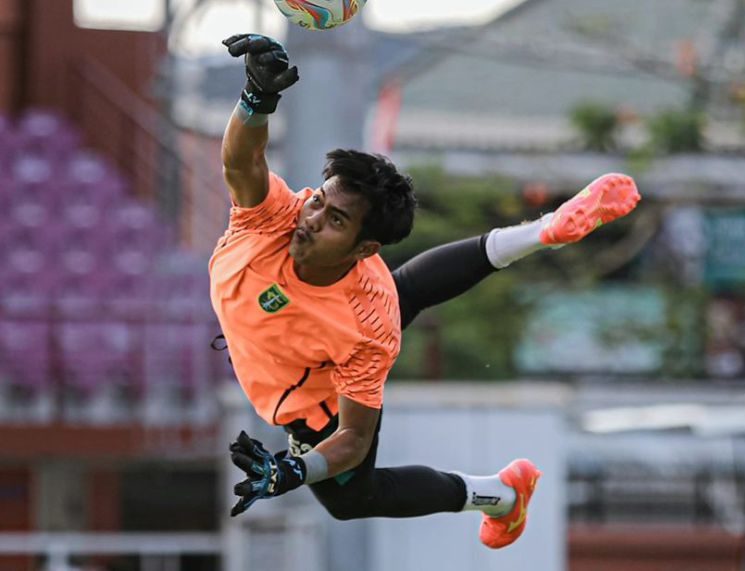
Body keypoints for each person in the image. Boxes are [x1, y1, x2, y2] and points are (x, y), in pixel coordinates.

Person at [208, 33, 641, 549]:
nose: (313, 219)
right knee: (403, 290)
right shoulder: (278, 216)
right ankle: (543, 230)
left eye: (336, 219)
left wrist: (294, 471)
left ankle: (499, 495)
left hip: (314, 396)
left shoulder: (366, 325)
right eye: (319, 202)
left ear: (365, 247)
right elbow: (242, 161)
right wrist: (257, 96)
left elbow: (352, 440)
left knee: (352, 501)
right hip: (323, 325)